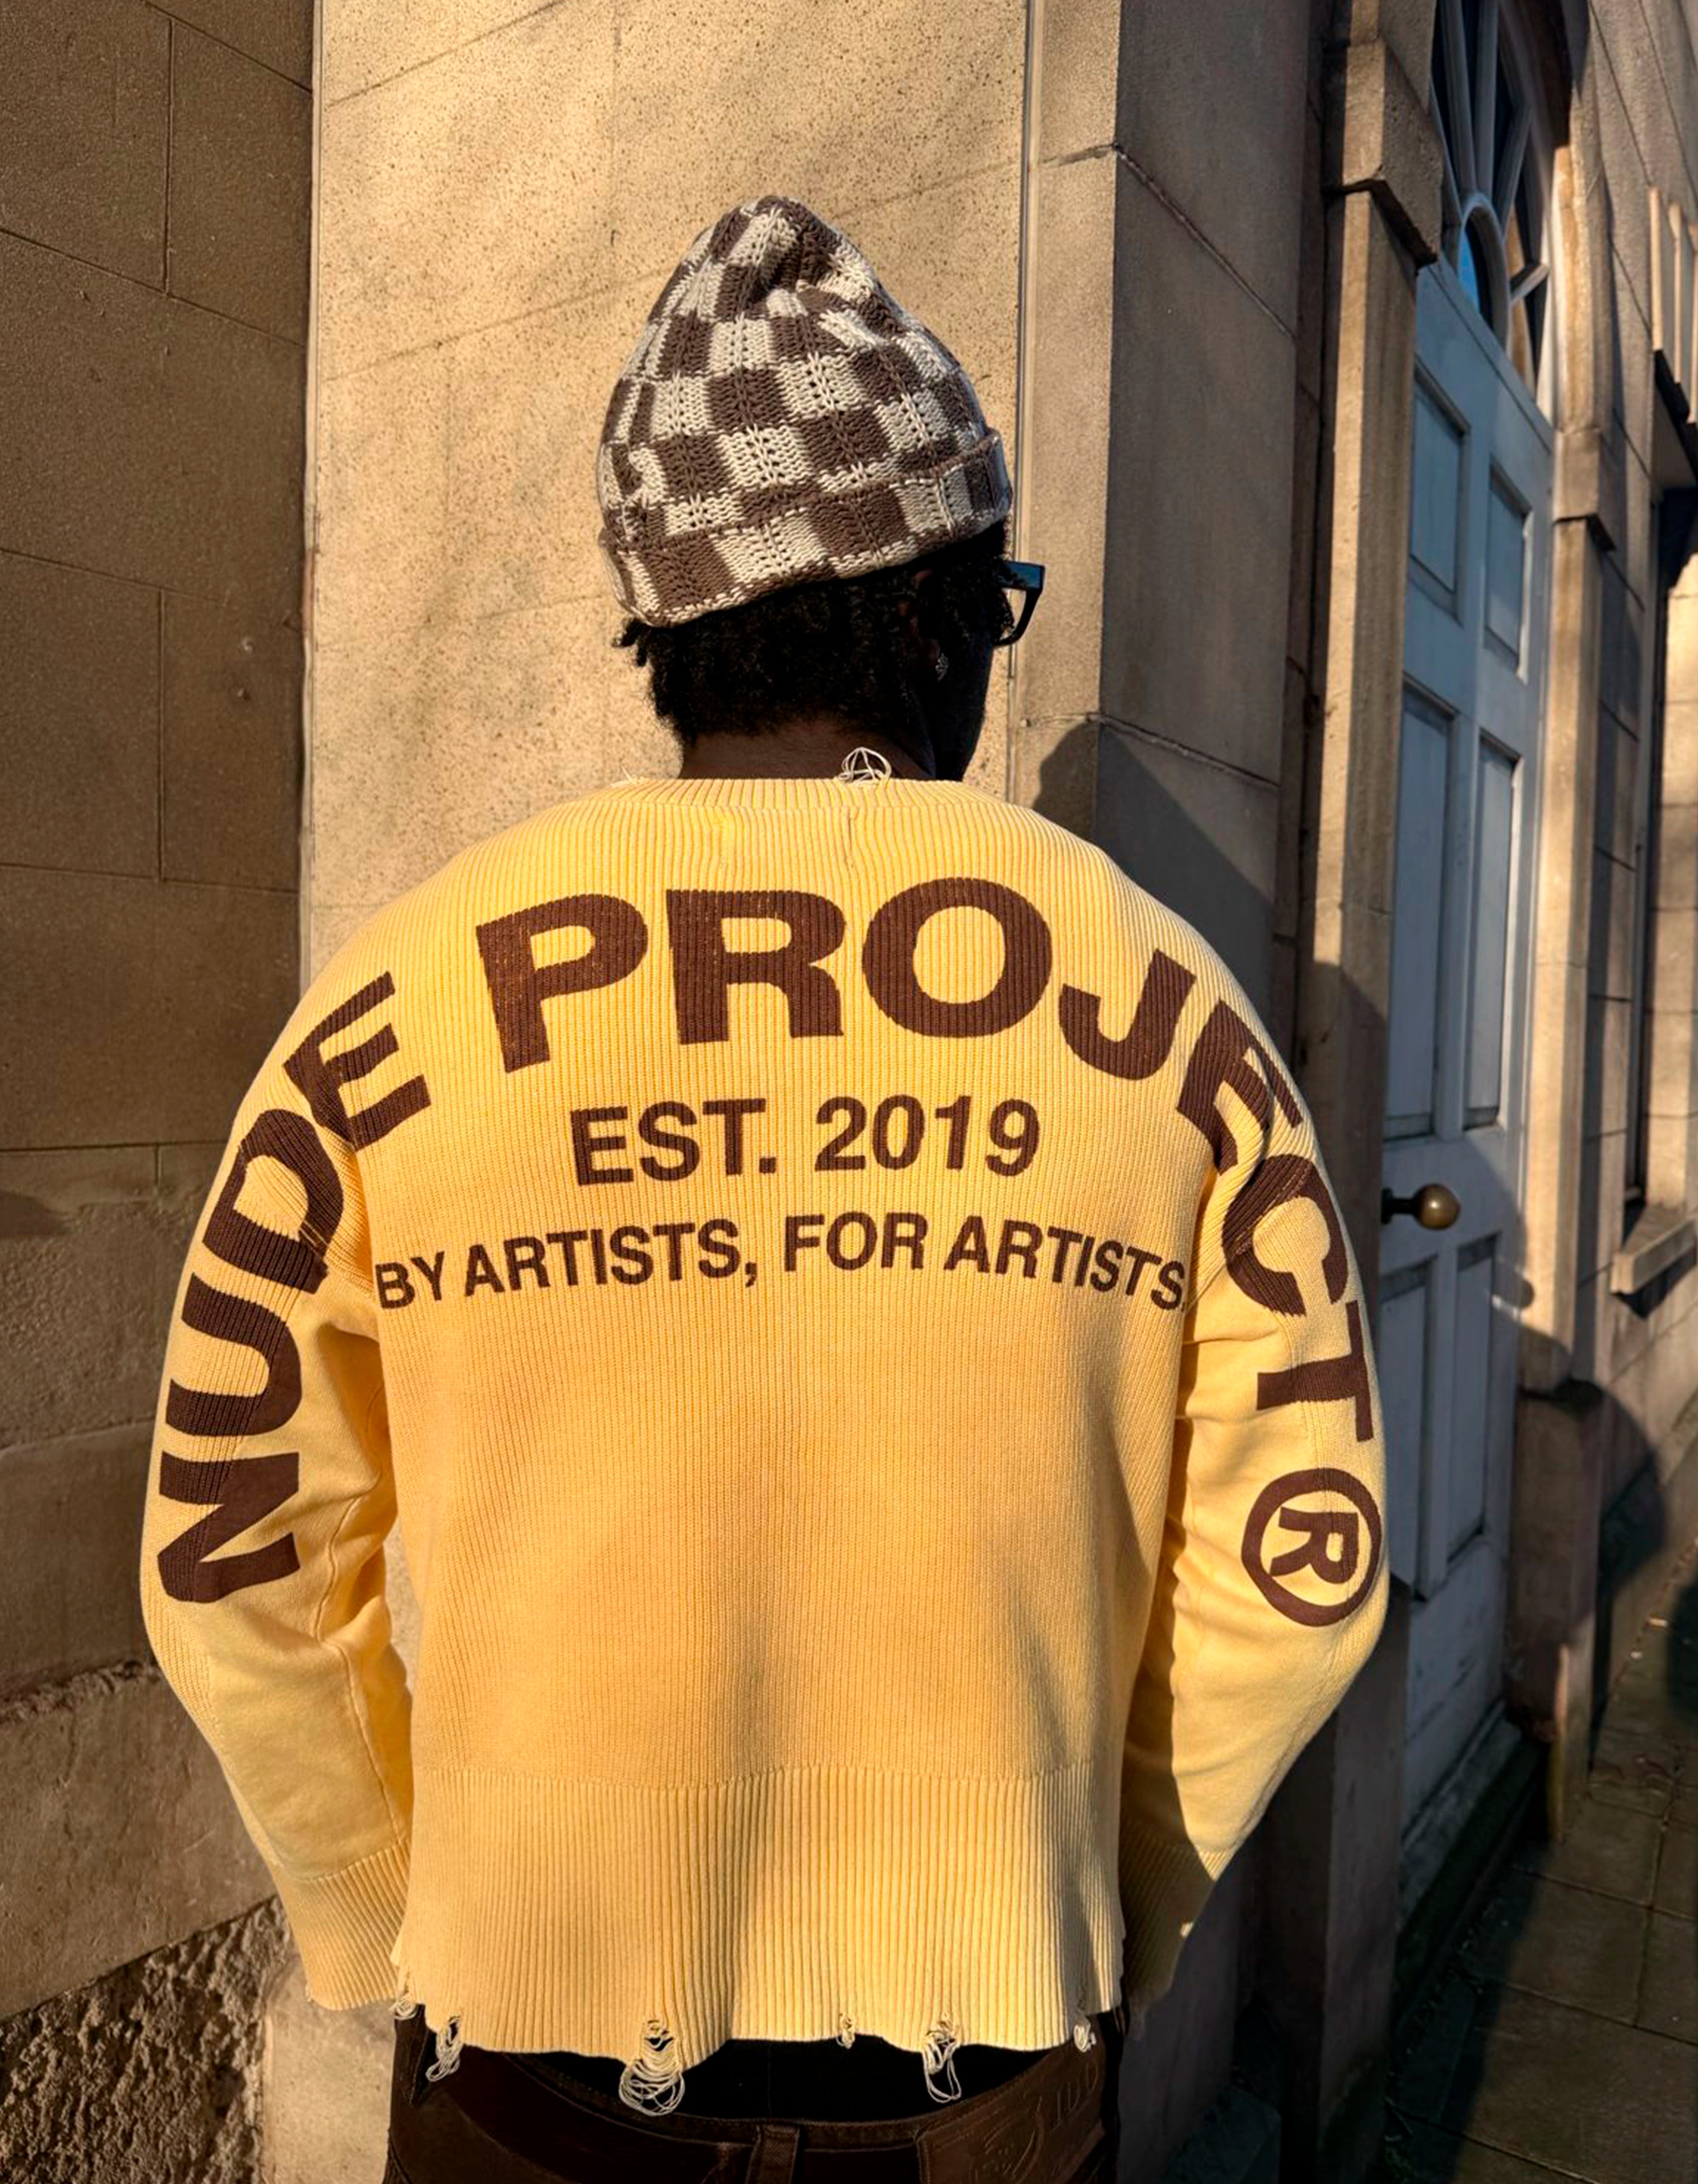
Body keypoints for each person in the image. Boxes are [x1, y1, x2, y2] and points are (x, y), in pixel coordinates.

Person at [138, 194, 1389, 2184]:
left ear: (673, 634)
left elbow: (232, 1553)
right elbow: (1302, 1564)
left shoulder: (392, 1005)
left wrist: (384, 1907)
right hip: (981, 2076)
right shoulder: (1167, 1004)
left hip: (527, 2080)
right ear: (932, 617)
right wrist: (1104, 1890)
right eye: (997, 602)